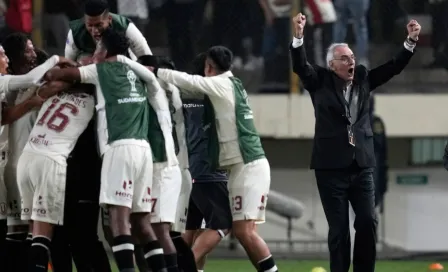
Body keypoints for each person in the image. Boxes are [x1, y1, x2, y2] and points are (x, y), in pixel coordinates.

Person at [290, 12, 420, 272]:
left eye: (352, 57)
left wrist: (410, 43)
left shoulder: (362, 78)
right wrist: (298, 37)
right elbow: (300, 67)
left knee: (368, 221)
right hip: (330, 168)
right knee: (339, 230)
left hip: (362, 165)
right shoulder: (319, 81)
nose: (351, 61)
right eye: (345, 58)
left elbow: (391, 68)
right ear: (332, 64)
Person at [45, 28, 170, 272]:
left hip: (119, 148)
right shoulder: (140, 73)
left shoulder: (100, 70)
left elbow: (54, 75)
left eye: (98, 48)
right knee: (142, 221)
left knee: (118, 220)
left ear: (103, 49)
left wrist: (66, 62)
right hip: (143, 150)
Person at [145, 45, 278, 272]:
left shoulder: (212, 90)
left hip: (219, 168)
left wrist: (154, 73)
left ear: (208, 69)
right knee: (219, 227)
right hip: (211, 171)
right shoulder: (226, 87)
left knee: (208, 230)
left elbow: (190, 84)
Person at [1, 34, 73, 271]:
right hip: (24, 165)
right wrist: (62, 64)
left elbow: (7, 115)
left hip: (14, 164)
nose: (6, 60)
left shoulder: (13, 90)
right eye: (28, 50)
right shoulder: (12, 83)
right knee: (37, 230)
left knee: (19, 230)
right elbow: (32, 80)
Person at [17, 75, 95, 272]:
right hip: (50, 161)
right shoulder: (91, 102)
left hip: (26, 159)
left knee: (32, 231)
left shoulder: (52, 96)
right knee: (44, 234)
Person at [183, 52, 232, 270]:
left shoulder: (185, 100)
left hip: (188, 171)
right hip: (209, 172)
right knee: (222, 224)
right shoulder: (213, 98)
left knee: (191, 229)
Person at [65, 0, 152, 60]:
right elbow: (68, 63)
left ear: (109, 19)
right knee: (82, 59)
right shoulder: (75, 32)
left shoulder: (126, 27)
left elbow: (147, 58)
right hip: (90, 67)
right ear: (84, 21)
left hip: (121, 64)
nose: (94, 30)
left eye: (99, 25)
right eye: (90, 25)